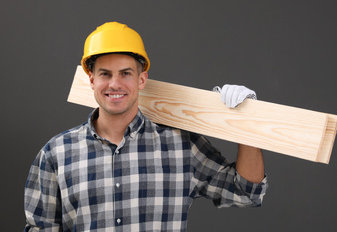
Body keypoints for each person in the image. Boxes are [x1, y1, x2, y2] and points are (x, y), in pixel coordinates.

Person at [24, 22, 268, 231]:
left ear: (142, 79)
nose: (115, 84)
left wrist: (246, 123)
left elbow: (245, 192)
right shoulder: (56, 154)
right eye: (105, 74)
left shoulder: (179, 145)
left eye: (126, 73)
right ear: (91, 79)